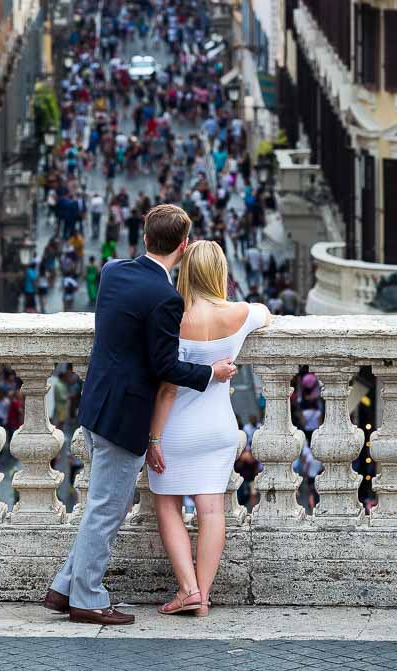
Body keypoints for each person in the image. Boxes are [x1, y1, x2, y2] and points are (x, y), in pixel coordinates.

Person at [44, 204, 236, 627]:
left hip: (96, 403)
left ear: (145, 237)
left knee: (100, 503)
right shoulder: (165, 298)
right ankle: (88, 598)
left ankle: (63, 588)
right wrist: (212, 372)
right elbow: (166, 367)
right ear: (183, 246)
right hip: (127, 415)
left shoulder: (113, 271)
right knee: (106, 510)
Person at [146, 240, 270, 617]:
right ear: (220, 272)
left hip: (177, 427)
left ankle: (188, 589)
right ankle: (205, 592)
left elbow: (168, 388)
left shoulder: (173, 316)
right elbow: (266, 314)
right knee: (212, 510)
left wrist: (153, 438)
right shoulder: (240, 314)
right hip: (219, 428)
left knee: (167, 503)